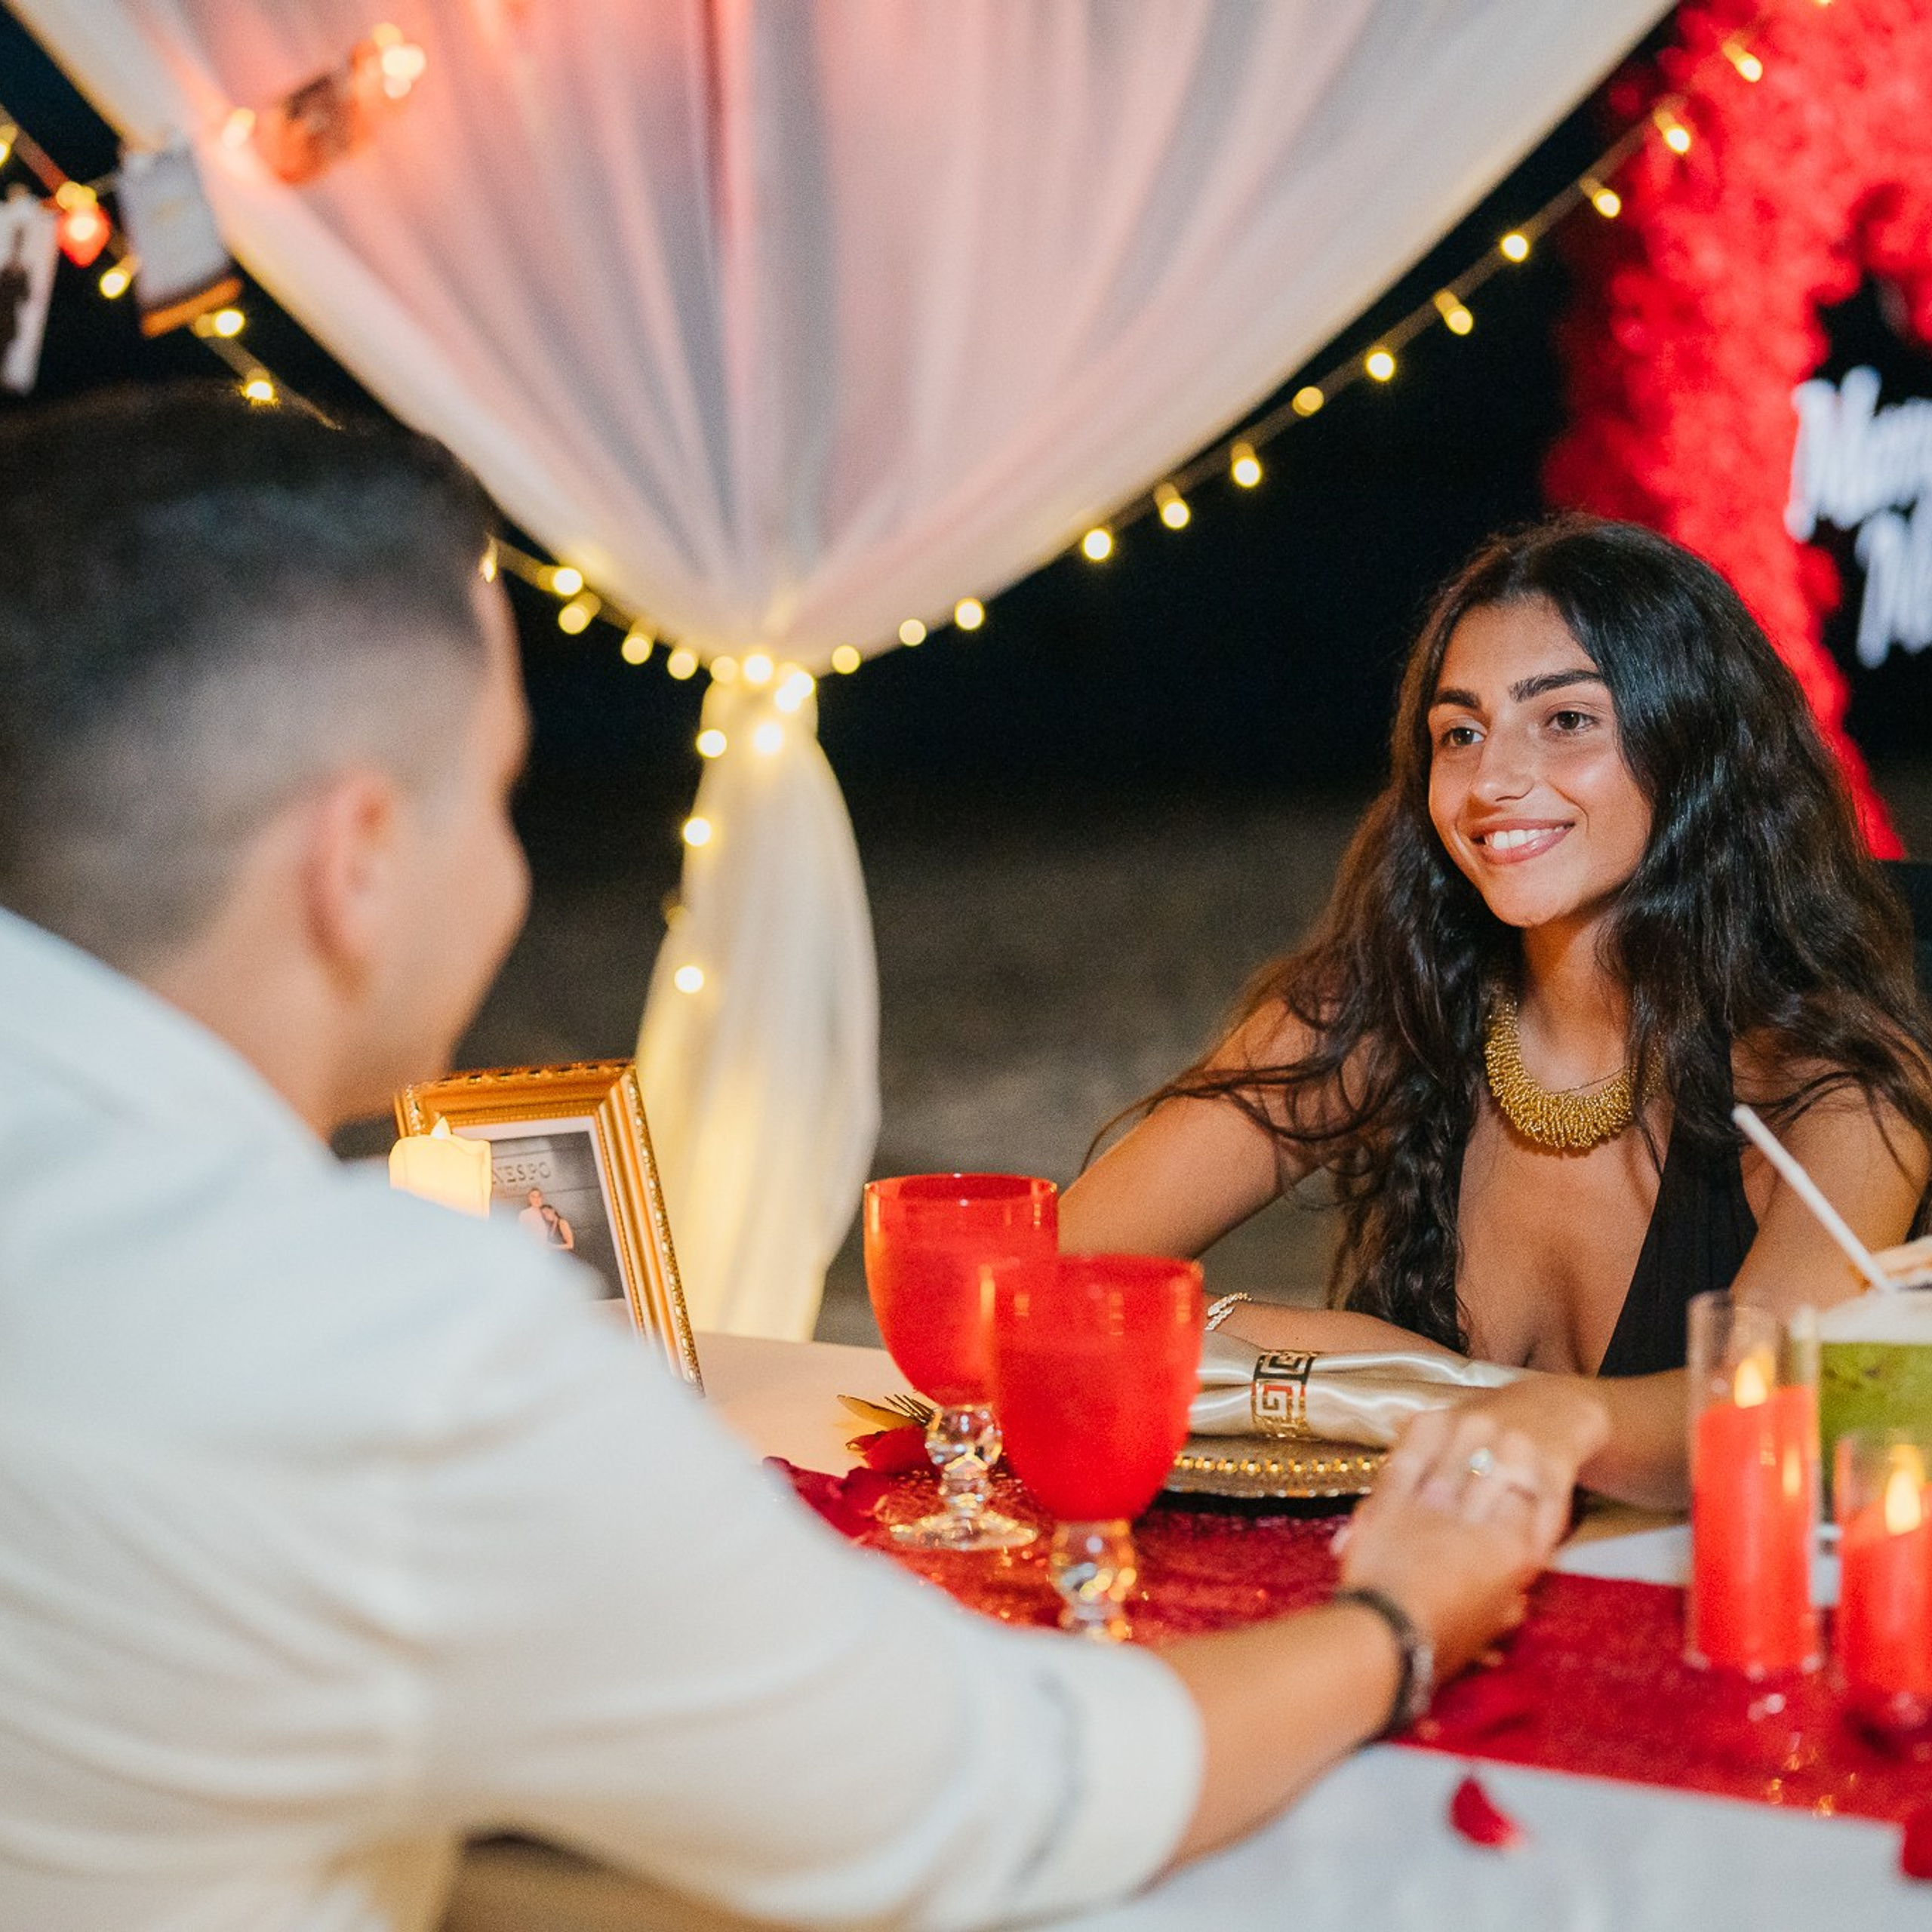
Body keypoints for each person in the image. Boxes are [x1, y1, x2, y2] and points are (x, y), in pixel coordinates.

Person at [0, 385, 1595, 1931]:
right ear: (354, 861)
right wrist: (1400, 1613)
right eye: (496, 795)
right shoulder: (391, 1346)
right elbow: (996, 1793)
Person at [1065, 515, 1932, 1509]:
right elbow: (1038, 1281)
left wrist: (1369, 1368)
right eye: (1460, 732)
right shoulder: (1389, 1004)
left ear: (1692, 742)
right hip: (1416, 1609)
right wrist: (1456, 1395)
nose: (1491, 783)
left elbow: (1754, 1419)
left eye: (1566, 720)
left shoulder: (1839, 1088)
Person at [518, 1183, 576, 1249]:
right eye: (533, 1197)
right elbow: (521, 1235)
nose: (536, 1199)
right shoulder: (525, 1214)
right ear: (529, 1199)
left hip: (551, 1253)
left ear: (542, 1198)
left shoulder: (546, 1212)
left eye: (539, 1196)